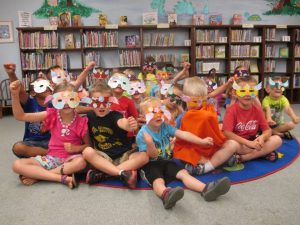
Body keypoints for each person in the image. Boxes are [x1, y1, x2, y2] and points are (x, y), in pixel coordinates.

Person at [136, 97, 231, 209]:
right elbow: (153, 156)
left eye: (160, 111)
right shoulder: (142, 135)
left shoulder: (165, 127)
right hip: (150, 165)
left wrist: (201, 141)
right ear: (143, 116)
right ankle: (166, 195)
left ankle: (206, 189)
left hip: (167, 161)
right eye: (152, 112)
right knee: (158, 180)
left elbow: (183, 134)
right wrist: (150, 143)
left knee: (183, 173)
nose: (158, 115)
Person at [10, 81, 89, 188]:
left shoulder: (82, 122)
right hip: (51, 158)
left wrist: (76, 148)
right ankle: (61, 178)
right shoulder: (51, 114)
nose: (66, 103)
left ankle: (40, 176)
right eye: (60, 100)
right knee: (17, 165)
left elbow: (88, 146)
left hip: (71, 159)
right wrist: (15, 95)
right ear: (54, 100)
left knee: (81, 162)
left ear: (77, 99)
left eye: (71, 99)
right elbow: (21, 116)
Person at [81, 82, 149, 188]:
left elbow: (121, 122)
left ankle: (104, 174)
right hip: (103, 157)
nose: (102, 106)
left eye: (105, 101)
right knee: (87, 152)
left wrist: (128, 125)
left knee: (144, 156)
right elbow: (73, 109)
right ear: (90, 102)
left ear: (111, 101)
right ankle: (123, 173)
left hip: (124, 156)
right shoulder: (89, 116)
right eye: (97, 102)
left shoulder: (115, 115)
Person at [173, 77, 239, 175]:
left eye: (202, 101)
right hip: (194, 149)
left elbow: (214, 130)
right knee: (185, 154)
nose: (198, 105)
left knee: (234, 144)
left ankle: (205, 167)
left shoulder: (208, 109)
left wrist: (227, 85)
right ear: (185, 99)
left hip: (211, 146)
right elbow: (179, 134)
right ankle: (217, 162)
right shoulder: (184, 117)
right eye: (194, 102)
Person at [223, 76, 282, 162]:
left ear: (256, 93)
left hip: (254, 142)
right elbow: (227, 133)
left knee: (277, 140)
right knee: (231, 145)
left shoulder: (257, 110)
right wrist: (248, 143)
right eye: (242, 91)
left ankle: (244, 158)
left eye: (251, 91)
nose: (247, 94)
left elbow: (267, 130)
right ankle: (261, 153)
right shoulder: (231, 110)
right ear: (235, 93)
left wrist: (262, 138)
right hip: (239, 144)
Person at [4, 63, 51, 158]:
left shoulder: (56, 103)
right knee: (18, 148)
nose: (46, 87)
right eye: (41, 85)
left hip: (51, 141)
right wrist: (11, 74)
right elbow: (19, 89)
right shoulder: (30, 102)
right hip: (32, 141)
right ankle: (49, 154)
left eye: (47, 84)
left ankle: (42, 155)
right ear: (33, 92)